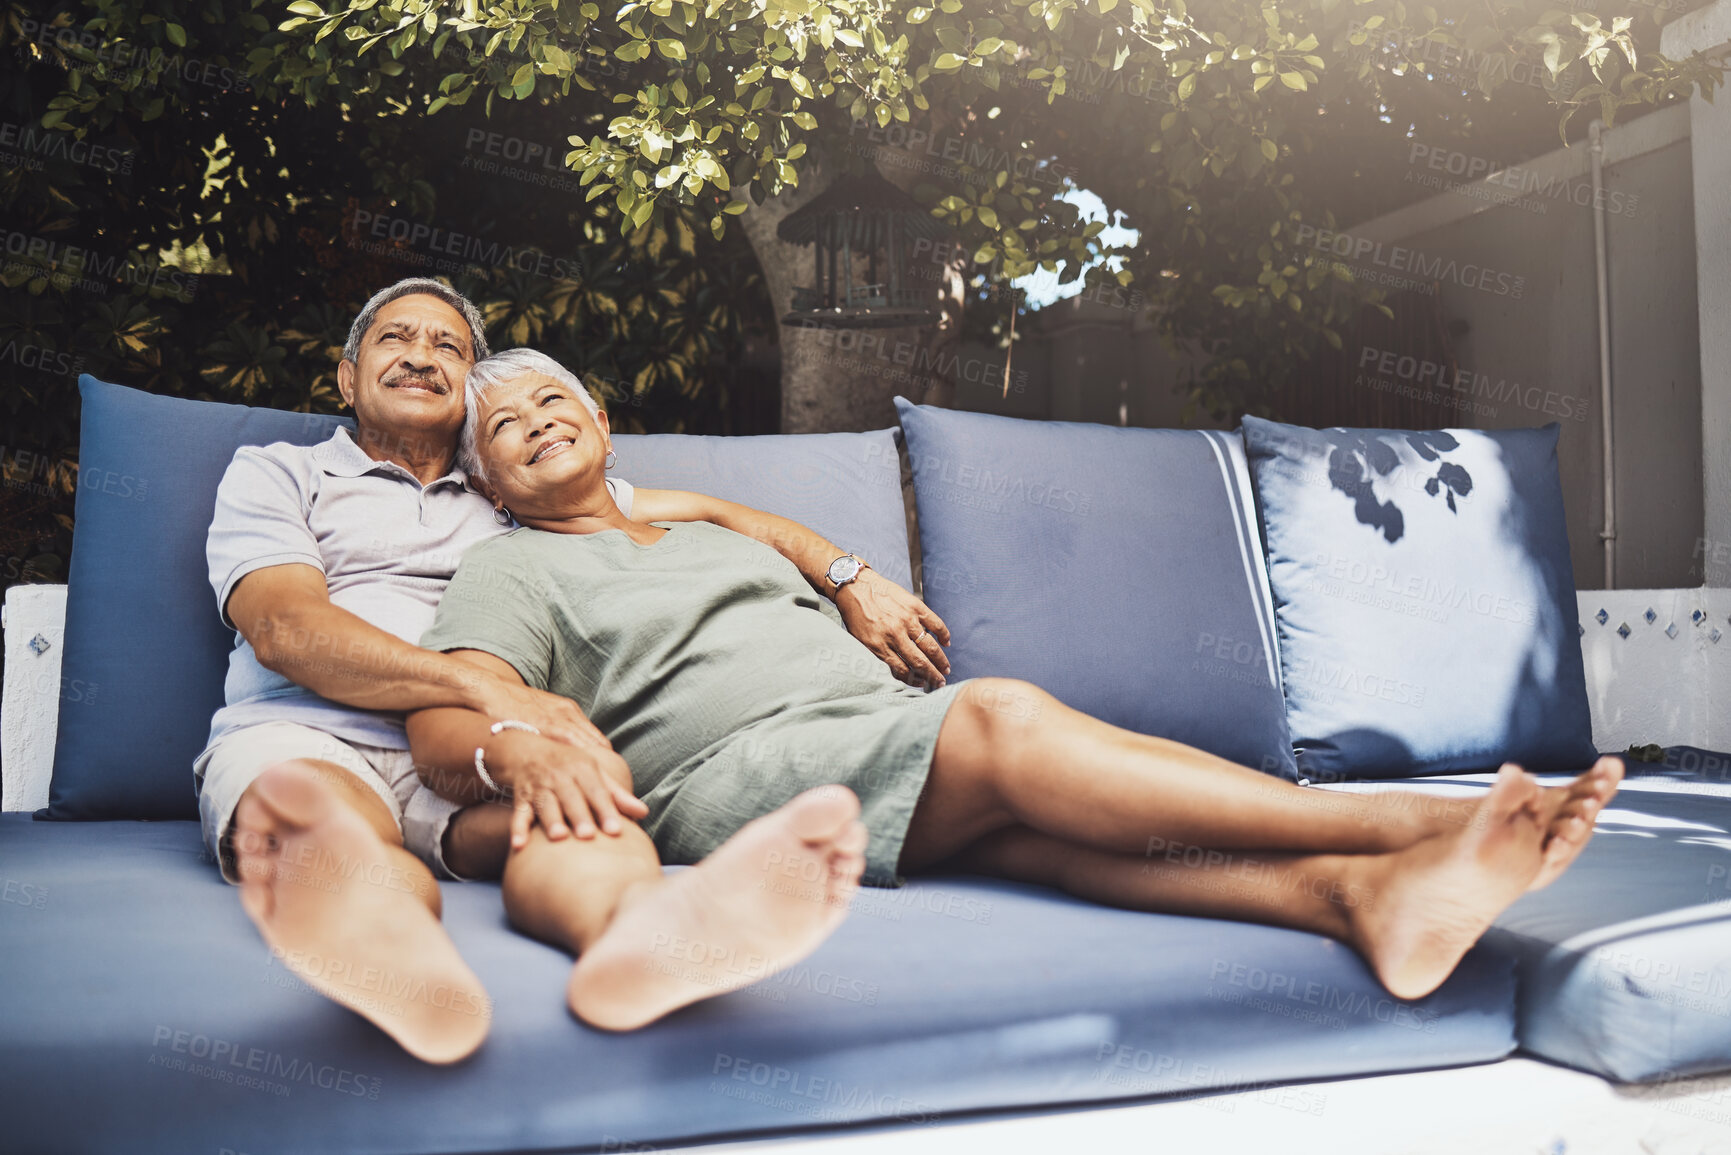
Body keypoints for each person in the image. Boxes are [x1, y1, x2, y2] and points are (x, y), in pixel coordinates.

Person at [396, 347, 1626, 1038]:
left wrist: (844, 571)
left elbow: (737, 520)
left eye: (556, 399)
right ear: (489, 483)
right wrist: (518, 746)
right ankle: (1416, 826)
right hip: (737, 777)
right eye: (504, 425)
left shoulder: (701, 524)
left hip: (871, 743)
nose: (538, 421)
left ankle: (1358, 903)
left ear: (606, 421)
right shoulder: (509, 568)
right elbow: (452, 714)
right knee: (998, 718)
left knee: (1041, 838)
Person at [204, 279, 950, 1063]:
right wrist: (485, 687)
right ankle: (397, 968)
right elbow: (286, 628)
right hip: (318, 731)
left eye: (447, 346)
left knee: (591, 822)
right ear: (347, 377)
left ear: (468, 391)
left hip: (476, 749)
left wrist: (847, 577)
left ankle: (640, 939)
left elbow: (723, 515)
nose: (421, 355)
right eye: (396, 340)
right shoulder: (281, 472)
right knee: (336, 837)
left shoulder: (510, 486)